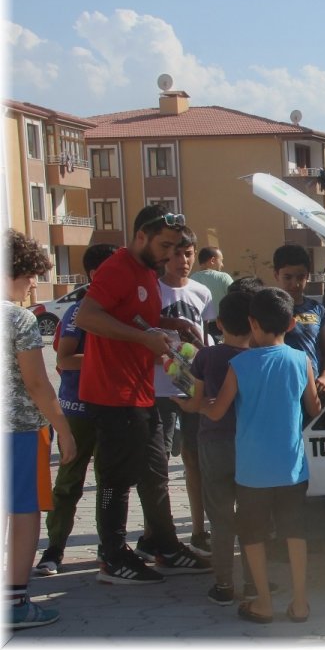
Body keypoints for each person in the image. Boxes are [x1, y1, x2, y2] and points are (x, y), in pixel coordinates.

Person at [74, 205, 212, 583]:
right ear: (140, 237)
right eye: (164, 245)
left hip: (140, 389)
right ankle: (113, 557)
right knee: (116, 478)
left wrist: (172, 323)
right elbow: (87, 317)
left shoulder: (147, 271)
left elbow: (136, 317)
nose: (169, 255)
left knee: (154, 470)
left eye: (174, 248)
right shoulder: (117, 268)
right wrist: (144, 338)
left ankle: (165, 546)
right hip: (111, 391)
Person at [182, 287, 320, 624]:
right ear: (290, 323)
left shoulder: (240, 364)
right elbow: (313, 407)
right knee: (295, 532)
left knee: (253, 534)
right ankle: (300, 603)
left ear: (252, 322)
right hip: (291, 467)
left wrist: (193, 401)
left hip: (252, 471)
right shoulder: (302, 361)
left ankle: (262, 603)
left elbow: (217, 413)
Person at [5, 230, 76, 628]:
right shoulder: (18, 318)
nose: (35, 283)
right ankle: (14, 601)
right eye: (31, 274)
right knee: (24, 512)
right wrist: (62, 428)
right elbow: (36, 383)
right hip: (17, 431)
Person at [34, 243, 118, 577]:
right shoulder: (79, 311)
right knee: (69, 481)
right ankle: (53, 550)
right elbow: (64, 360)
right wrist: (109, 360)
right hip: (79, 410)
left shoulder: (122, 309)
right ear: (96, 274)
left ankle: (109, 547)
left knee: (111, 483)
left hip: (115, 409)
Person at [174, 288, 259, 605]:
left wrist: (179, 401)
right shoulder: (257, 358)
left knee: (220, 516)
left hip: (214, 443)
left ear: (219, 323)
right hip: (250, 445)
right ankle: (254, 583)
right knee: (252, 515)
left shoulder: (206, 357)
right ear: (255, 324)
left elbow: (195, 403)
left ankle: (224, 585)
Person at [152, 229, 212, 557]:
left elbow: (209, 335)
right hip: (158, 389)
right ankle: (158, 533)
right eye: (176, 254)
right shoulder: (150, 291)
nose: (183, 261)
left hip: (192, 388)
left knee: (195, 460)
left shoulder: (202, 292)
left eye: (188, 254)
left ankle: (199, 530)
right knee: (157, 464)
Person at [272, 244, 325, 397]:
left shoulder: (317, 309)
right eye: (288, 277)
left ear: (308, 276)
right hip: (278, 387)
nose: (295, 283)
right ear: (276, 275)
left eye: (300, 277)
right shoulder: (267, 308)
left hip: (313, 388)